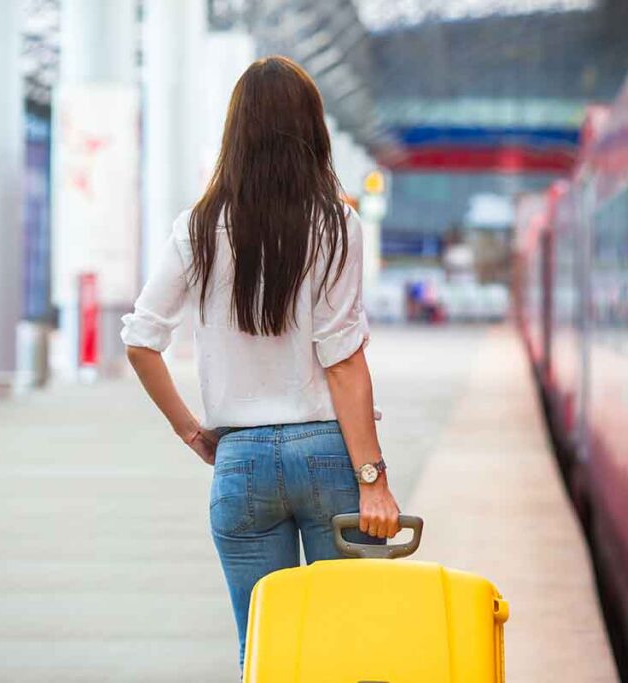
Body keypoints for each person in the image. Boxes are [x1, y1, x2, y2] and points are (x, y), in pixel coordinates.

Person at [120, 55, 401, 670]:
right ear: (314, 131)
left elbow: (142, 340)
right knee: (343, 648)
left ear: (235, 132)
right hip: (330, 454)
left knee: (263, 651)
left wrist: (190, 429)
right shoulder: (337, 225)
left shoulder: (197, 228)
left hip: (241, 462)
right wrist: (373, 480)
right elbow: (344, 361)